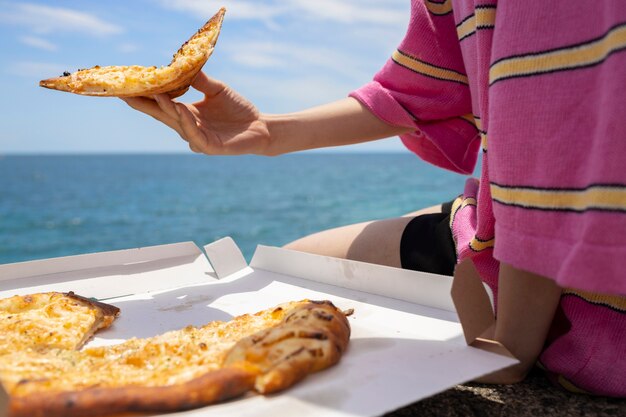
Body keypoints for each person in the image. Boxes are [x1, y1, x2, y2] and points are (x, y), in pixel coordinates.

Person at [123, 0, 626, 396]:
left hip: (588, 279)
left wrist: (511, 339)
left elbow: (546, 129)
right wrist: (266, 132)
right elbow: (422, 86)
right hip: (519, 213)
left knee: (289, 286)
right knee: (294, 263)